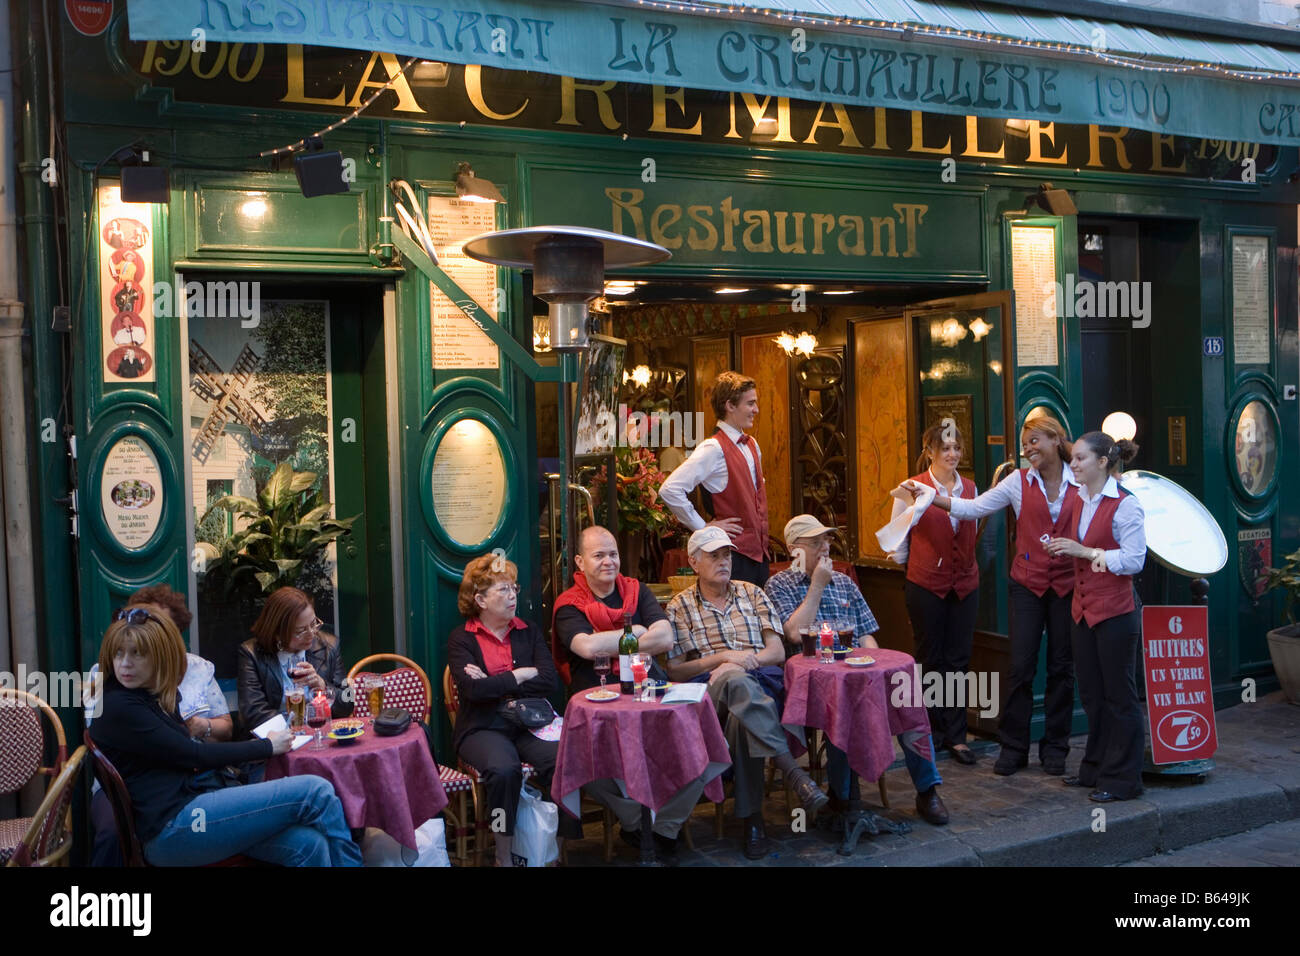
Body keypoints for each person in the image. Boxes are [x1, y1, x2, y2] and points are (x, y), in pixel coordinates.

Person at [88, 606, 362, 866]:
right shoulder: (120, 706)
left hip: (193, 810)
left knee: (309, 845)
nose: (125, 664)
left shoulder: (147, 696)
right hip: (178, 827)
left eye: (137, 654)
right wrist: (266, 747)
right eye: (119, 654)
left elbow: (186, 751)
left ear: (160, 656)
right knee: (316, 791)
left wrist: (324, 688)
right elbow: (195, 754)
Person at [919, 411, 1080, 776]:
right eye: (1025, 444)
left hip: (1068, 585)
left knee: (1061, 667)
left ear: (1056, 440)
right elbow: (975, 508)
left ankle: (1055, 748)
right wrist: (934, 498)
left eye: (1035, 441)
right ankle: (1014, 747)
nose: (1028, 449)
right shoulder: (1018, 482)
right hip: (1026, 583)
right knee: (1020, 667)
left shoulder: (1080, 481)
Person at [765, 515, 949, 825]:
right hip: (811, 686)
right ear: (794, 549)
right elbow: (794, 633)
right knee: (841, 701)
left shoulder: (845, 582)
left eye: (826, 540)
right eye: (815, 542)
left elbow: (866, 635)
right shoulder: (777, 585)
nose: (825, 546)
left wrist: (873, 670)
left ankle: (927, 789)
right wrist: (817, 586)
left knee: (907, 699)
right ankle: (842, 795)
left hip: (856, 674)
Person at [664, 526, 829, 860]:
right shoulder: (679, 606)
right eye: (714, 556)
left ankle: (754, 821)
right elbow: (675, 670)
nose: (724, 562)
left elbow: (777, 652)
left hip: (760, 685)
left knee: (743, 712)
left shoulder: (752, 593)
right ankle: (793, 774)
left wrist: (743, 664)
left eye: (727, 555)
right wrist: (724, 658)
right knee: (734, 683)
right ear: (694, 563)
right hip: (709, 698)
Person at [552, 525, 708, 861]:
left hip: (652, 693)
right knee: (580, 763)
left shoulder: (637, 591)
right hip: (600, 704)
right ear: (579, 561)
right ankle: (637, 820)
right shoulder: (569, 605)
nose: (609, 561)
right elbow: (585, 647)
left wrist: (618, 640)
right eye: (598, 555)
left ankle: (663, 826)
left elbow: (665, 639)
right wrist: (636, 631)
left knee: (708, 748)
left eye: (613, 554)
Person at [85, 585, 234, 866]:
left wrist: (201, 726)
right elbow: (105, 731)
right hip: (126, 780)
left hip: (190, 776)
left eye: (165, 627)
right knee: (112, 832)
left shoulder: (199, 668)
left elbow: (226, 728)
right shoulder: (112, 679)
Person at [1045, 431, 1147, 802]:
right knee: (1092, 696)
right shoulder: (1077, 498)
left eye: (1080, 459)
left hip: (1116, 612)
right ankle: (1095, 769)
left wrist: (1085, 552)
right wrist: (1058, 547)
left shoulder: (1125, 504)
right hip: (1082, 611)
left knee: (1120, 696)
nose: (1073, 464)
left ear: (1103, 462)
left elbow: (1135, 560)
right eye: (1073, 458)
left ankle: (1123, 780)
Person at [448, 553, 567, 866]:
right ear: (480, 599)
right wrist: (518, 674)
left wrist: (495, 682)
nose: (513, 594)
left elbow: (548, 682)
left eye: (514, 588)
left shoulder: (527, 631)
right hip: (482, 727)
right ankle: (503, 852)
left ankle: (555, 850)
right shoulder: (462, 639)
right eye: (503, 590)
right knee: (504, 771)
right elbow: (473, 691)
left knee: (563, 761)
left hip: (528, 723)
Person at [890, 421, 980, 765]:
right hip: (925, 584)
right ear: (930, 451)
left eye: (957, 448)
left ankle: (956, 736)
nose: (953, 454)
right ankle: (929, 732)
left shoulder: (971, 488)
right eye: (946, 448)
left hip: (966, 585)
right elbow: (897, 539)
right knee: (930, 659)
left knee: (958, 661)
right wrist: (914, 570)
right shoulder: (911, 488)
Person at [658, 371, 772, 586]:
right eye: (750, 403)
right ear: (730, 406)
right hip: (731, 556)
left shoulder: (752, 444)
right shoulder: (713, 448)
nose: (756, 410)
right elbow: (670, 489)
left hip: (760, 556)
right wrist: (703, 528)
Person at [237, 586, 353, 732]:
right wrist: (295, 727)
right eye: (301, 630)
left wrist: (322, 685)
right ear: (277, 632)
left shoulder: (329, 646)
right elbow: (253, 712)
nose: (311, 634)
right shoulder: (251, 653)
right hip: (276, 739)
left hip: (320, 734)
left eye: (313, 624)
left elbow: (347, 704)